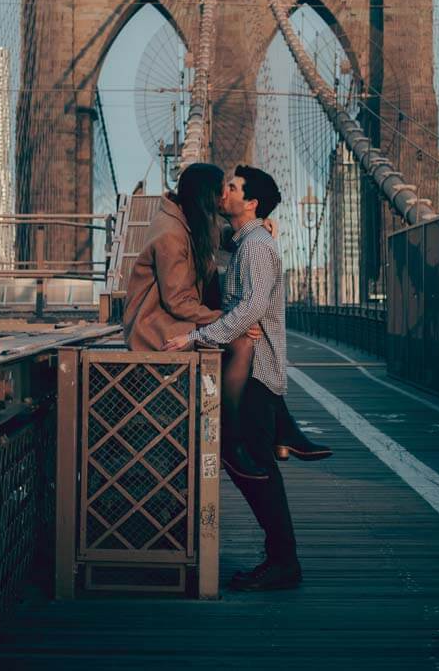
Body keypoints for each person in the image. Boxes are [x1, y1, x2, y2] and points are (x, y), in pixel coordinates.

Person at [163, 165, 305, 592]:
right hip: (250, 371)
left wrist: (195, 336)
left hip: (256, 374)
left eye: (232, 188)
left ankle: (284, 562)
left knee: (255, 467)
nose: (223, 193)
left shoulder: (257, 247)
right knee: (249, 463)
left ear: (251, 202)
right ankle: (281, 558)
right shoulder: (247, 241)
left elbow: (251, 309)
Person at [123, 162, 267, 480]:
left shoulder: (186, 220)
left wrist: (252, 228)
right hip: (155, 326)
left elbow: (216, 237)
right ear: (206, 197)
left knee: (252, 336)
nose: (223, 199)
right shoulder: (171, 235)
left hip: (171, 319)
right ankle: (232, 440)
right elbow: (177, 301)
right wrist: (227, 321)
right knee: (242, 343)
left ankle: (270, 430)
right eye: (220, 193)